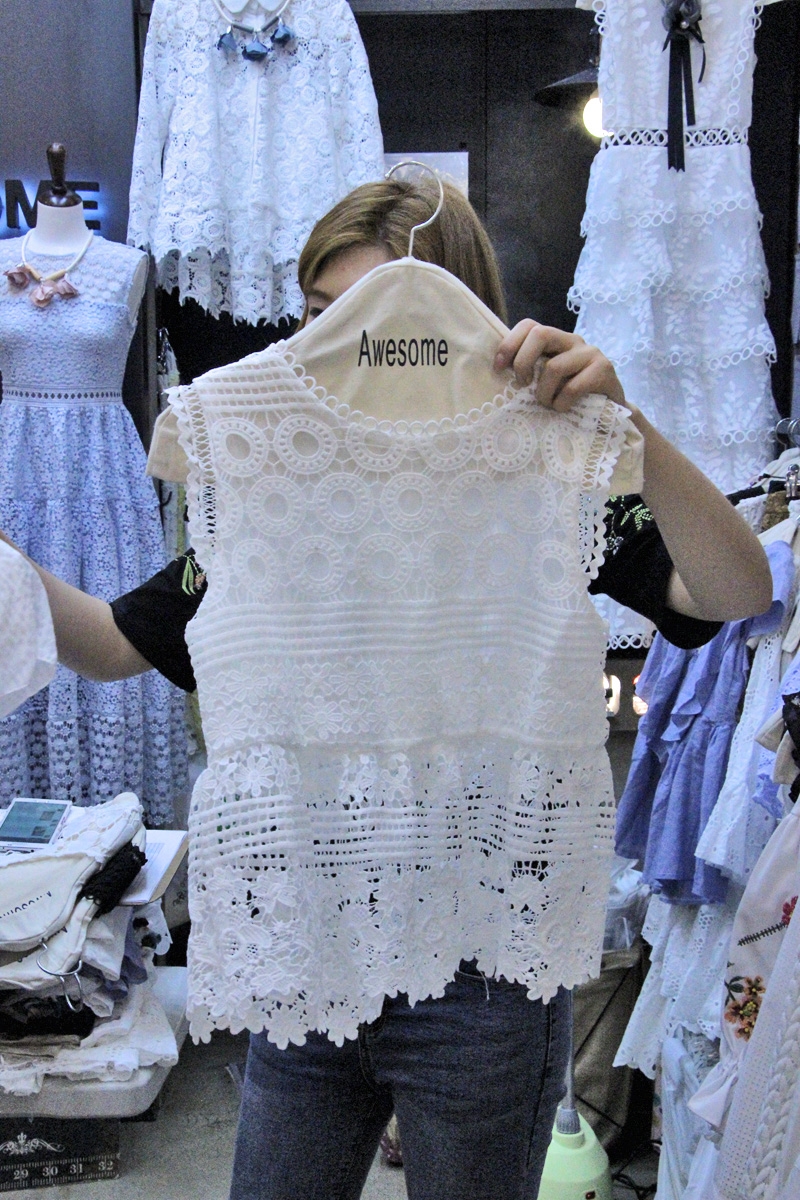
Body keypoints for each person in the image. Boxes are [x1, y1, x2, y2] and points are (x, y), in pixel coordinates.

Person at [0, 180, 772, 1200]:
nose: (346, 345)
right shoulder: (275, 473)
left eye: (377, 316)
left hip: (485, 976)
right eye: (324, 316)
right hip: (308, 952)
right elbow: (108, 644)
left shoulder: (542, 460)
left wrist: (624, 427)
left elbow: (735, 592)